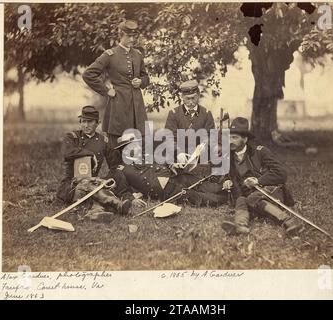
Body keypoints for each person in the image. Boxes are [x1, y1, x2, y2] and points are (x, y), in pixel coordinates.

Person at [221, 117, 302, 235]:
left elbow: (281, 173)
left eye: (234, 137)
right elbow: (226, 174)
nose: (230, 141)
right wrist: (227, 180)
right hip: (252, 199)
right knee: (241, 199)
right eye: (229, 137)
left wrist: (258, 180)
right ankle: (240, 226)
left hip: (271, 192)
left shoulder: (260, 152)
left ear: (245, 138)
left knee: (252, 198)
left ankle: (288, 221)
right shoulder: (228, 155)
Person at [56, 106, 137, 222]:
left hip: (93, 183)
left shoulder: (103, 141)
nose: (86, 125)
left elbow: (115, 166)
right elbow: (66, 153)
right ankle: (116, 204)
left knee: (111, 178)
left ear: (97, 123)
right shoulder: (72, 137)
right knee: (87, 185)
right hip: (72, 185)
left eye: (90, 122)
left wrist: (128, 195)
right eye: (83, 121)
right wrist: (89, 154)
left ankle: (95, 212)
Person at [82, 20, 150, 149]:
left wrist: (141, 81)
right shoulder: (110, 55)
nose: (132, 39)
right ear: (120, 35)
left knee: (139, 146)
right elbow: (88, 74)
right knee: (118, 143)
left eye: (134, 36)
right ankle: (117, 168)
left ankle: (135, 169)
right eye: (128, 36)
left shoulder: (138, 54)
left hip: (137, 106)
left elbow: (146, 77)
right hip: (119, 105)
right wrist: (106, 90)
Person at [115, 134, 228, 207]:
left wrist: (173, 165)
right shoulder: (123, 169)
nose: (139, 147)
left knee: (213, 187)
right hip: (168, 191)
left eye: (138, 144)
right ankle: (228, 198)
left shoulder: (147, 156)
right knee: (211, 200)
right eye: (134, 146)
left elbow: (162, 164)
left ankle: (228, 189)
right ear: (125, 150)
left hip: (177, 177)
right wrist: (131, 199)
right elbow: (122, 190)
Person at [164, 80, 215, 160]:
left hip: (201, 158)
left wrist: (204, 145)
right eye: (188, 99)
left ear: (198, 95)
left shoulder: (206, 114)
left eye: (193, 98)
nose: (191, 102)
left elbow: (210, 136)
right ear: (182, 97)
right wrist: (178, 152)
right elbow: (169, 138)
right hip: (178, 159)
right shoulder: (174, 114)